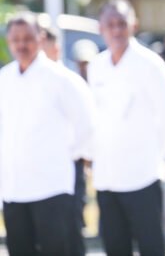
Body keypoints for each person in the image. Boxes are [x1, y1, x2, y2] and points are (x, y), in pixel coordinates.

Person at [88, 0, 165, 255]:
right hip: (107, 177)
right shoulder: (96, 66)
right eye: (110, 24)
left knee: (151, 246)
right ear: (100, 28)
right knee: (114, 247)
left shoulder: (150, 63)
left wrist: (156, 156)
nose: (116, 30)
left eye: (122, 23)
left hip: (143, 175)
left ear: (134, 25)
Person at [0, 13, 95, 256]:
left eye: (28, 38)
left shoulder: (63, 79)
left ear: (40, 38)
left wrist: (68, 157)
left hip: (52, 187)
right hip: (13, 189)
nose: (22, 45)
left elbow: (87, 125)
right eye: (16, 39)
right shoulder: (4, 79)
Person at [38, 25, 93, 255]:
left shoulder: (69, 81)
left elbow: (86, 126)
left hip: (69, 164)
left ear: (56, 48)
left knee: (71, 229)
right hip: (40, 167)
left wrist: (80, 156)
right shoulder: (31, 82)